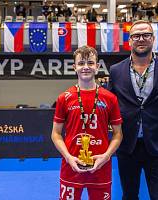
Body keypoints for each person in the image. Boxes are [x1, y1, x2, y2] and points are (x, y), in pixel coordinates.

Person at [108, 20, 158, 200]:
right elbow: (110, 108)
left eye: (146, 35)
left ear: (153, 39)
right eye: (136, 35)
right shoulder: (116, 71)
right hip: (127, 147)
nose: (141, 39)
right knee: (129, 195)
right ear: (130, 41)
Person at [51, 46, 123, 200]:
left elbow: (118, 134)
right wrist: (68, 157)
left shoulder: (110, 98)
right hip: (71, 166)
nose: (85, 67)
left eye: (90, 63)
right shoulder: (64, 98)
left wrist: (107, 156)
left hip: (101, 167)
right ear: (74, 67)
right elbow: (56, 134)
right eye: (81, 63)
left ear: (97, 67)